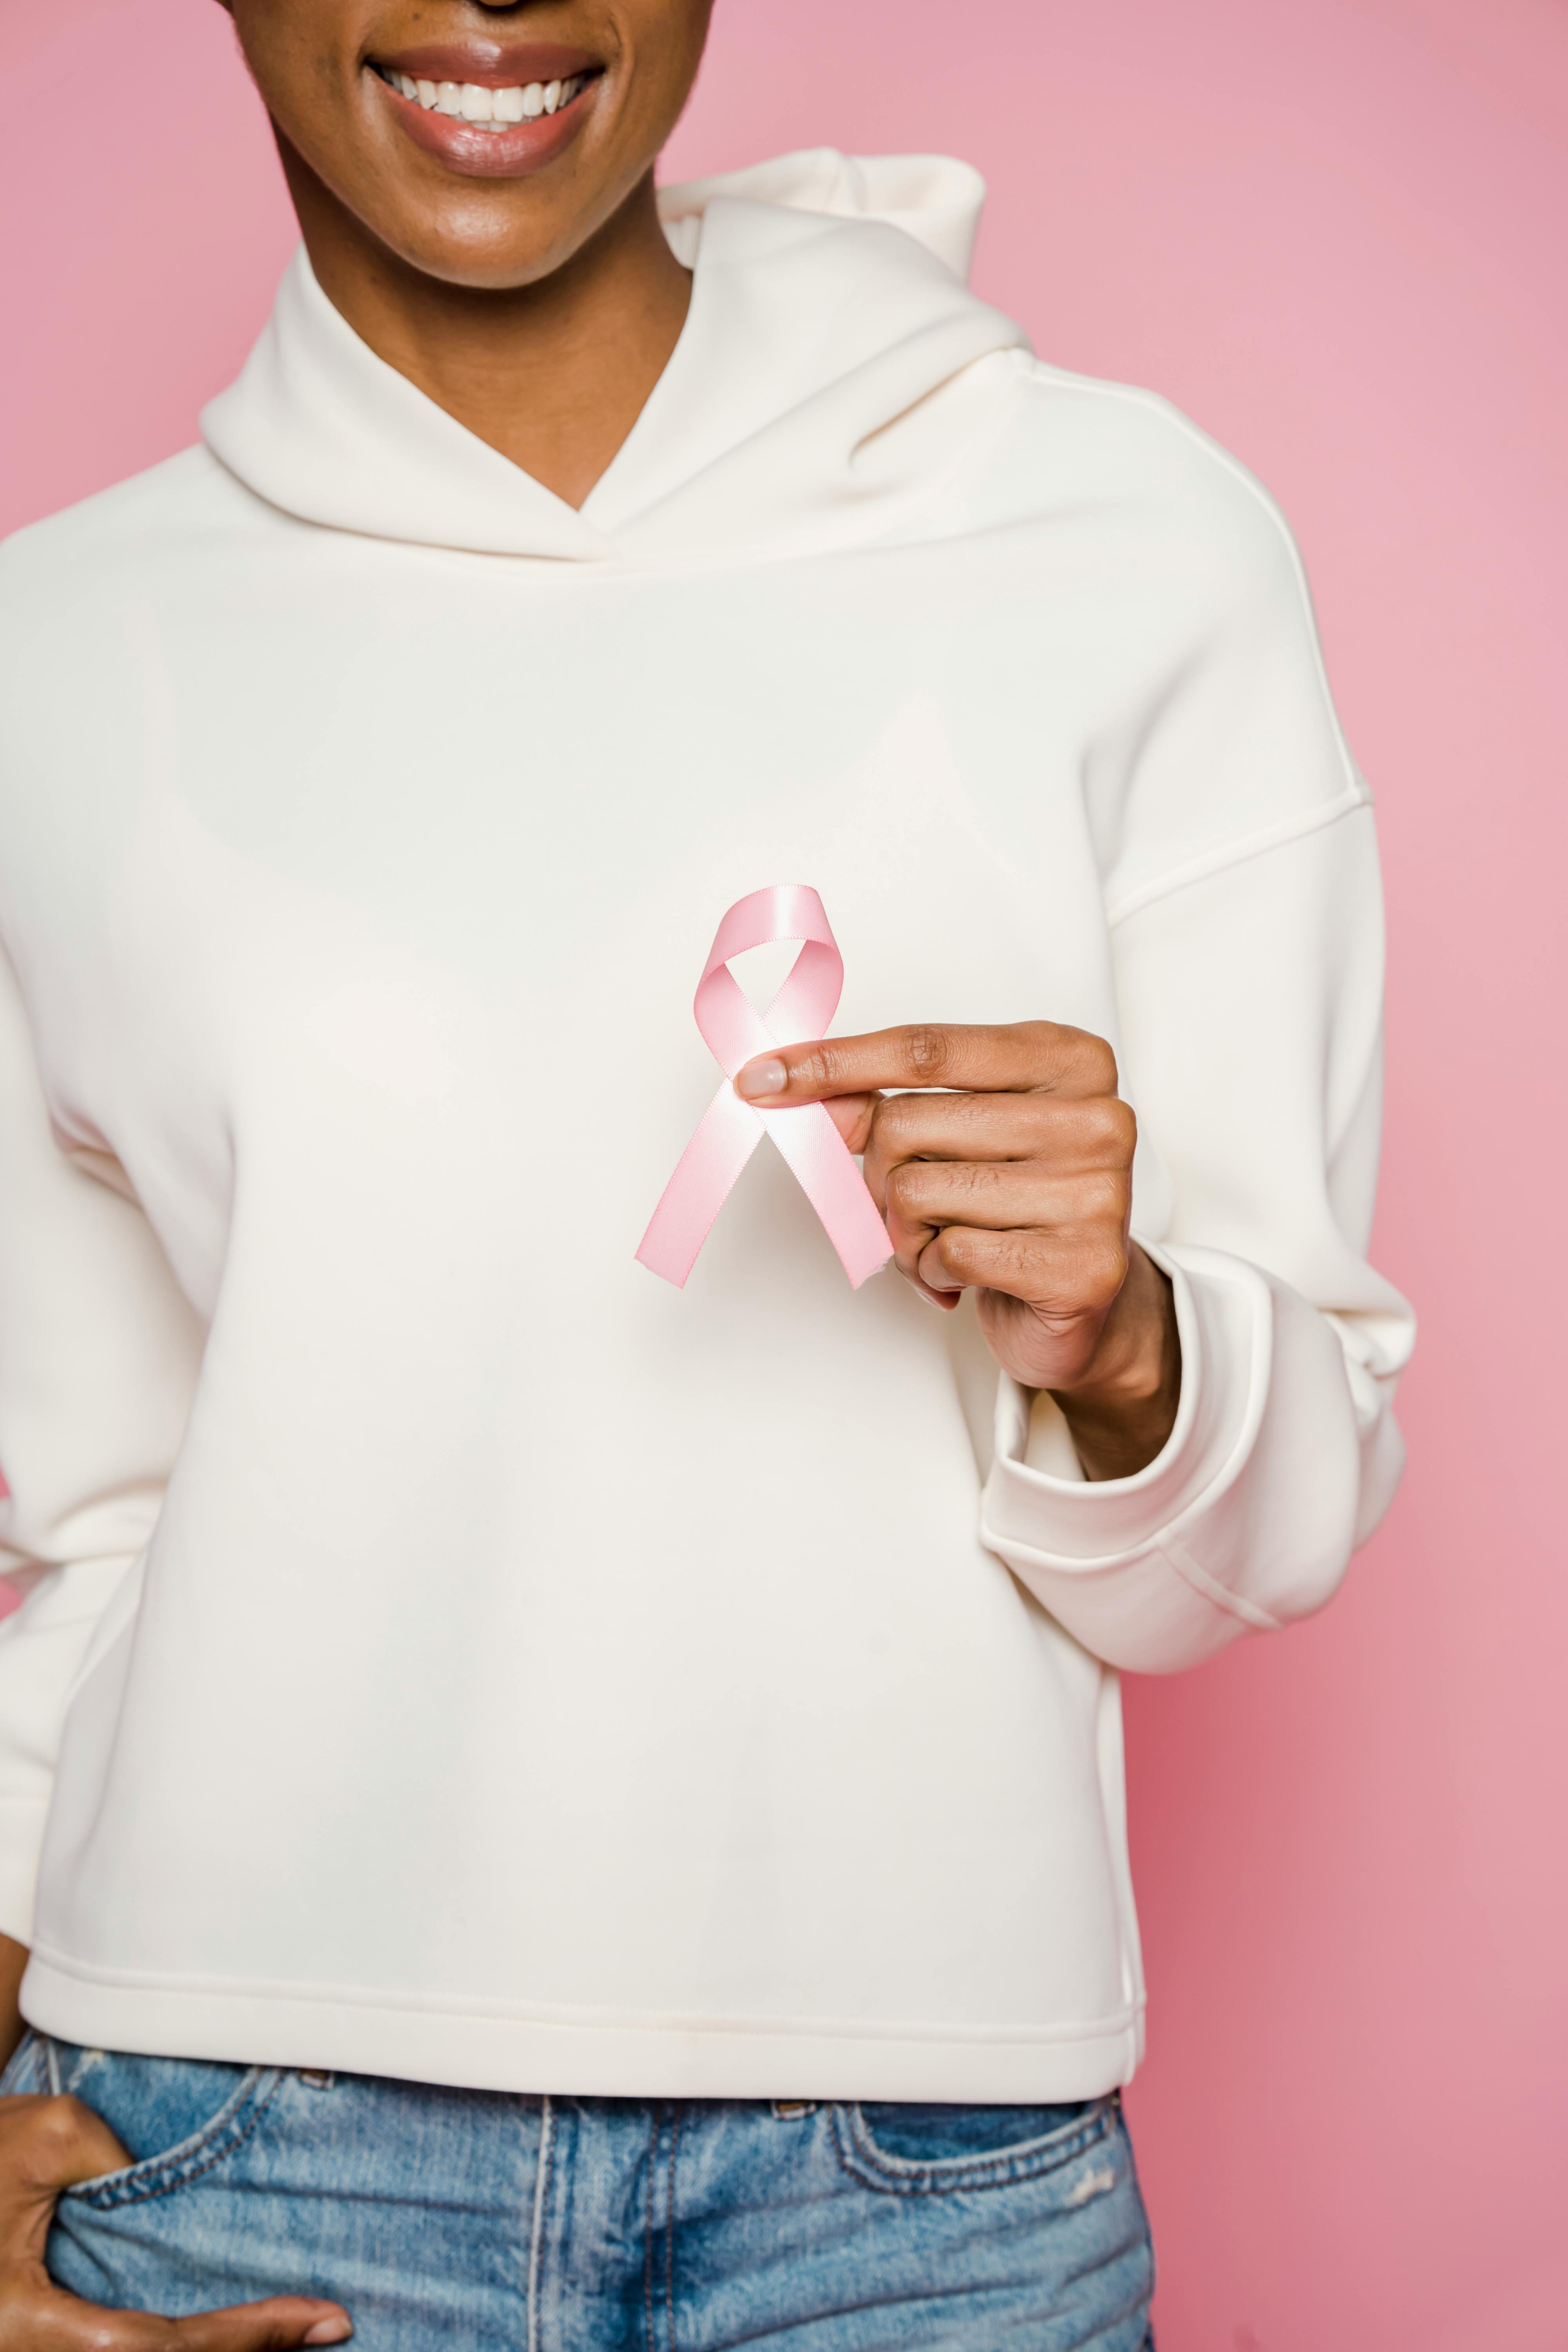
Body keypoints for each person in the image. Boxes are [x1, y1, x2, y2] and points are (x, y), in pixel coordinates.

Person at [0, 0, 1414, 2343]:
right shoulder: (50, 655)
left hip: (925, 2203)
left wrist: (1131, 1340)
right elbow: (102, 1530)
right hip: (241, 2158)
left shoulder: (1126, 539)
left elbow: (1285, 1510)